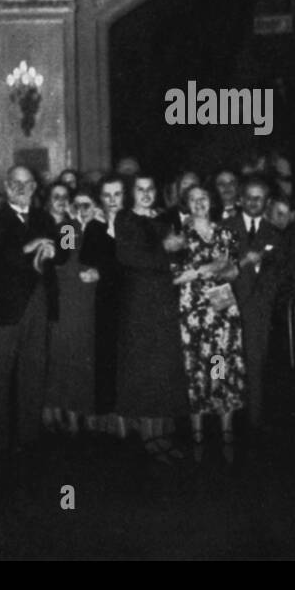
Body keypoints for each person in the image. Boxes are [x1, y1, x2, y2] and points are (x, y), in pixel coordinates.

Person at [0, 166, 66, 452]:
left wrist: (55, 249)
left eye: (27, 183)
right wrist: (31, 247)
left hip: (38, 304)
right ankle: (0, 441)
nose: (21, 187)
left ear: (34, 187)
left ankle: (29, 440)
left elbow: (63, 247)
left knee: (33, 372)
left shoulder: (43, 217)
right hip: (3, 308)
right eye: (15, 182)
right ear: (6, 185)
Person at [115, 175, 189, 462]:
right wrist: (166, 250)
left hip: (164, 302)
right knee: (145, 372)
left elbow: (178, 255)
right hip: (140, 305)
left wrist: (175, 252)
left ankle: (161, 436)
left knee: (165, 371)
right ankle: (149, 438)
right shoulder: (125, 218)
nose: (146, 194)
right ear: (132, 193)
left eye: (150, 189)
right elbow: (130, 256)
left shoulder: (163, 217)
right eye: (140, 189)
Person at [173, 184, 244, 463]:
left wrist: (218, 269)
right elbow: (175, 277)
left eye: (203, 198)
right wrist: (208, 269)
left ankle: (226, 429)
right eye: (193, 199)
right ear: (186, 204)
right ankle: (198, 432)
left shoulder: (226, 232)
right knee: (196, 367)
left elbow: (234, 270)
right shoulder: (180, 237)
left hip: (222, 306)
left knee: (222, 363)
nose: (199, 203)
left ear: (211, 201)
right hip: (192, 309)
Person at [223, 177, 283, 430]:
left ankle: (254, 424)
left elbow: (279, 272)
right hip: (228, 309)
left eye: (259, 198)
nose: (253, 202)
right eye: (248, 196)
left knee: (255, 365)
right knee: (222, 365)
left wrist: (259, 262)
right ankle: (222, 420)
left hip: (258, 311)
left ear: (267, 202)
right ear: (240, 198)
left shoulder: (275, 233)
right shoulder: (225, 226)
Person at [42, 182, 99, 435]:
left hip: (90, 301)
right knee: (66, 359)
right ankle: (70, 417)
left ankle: (83, 414)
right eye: (77, 205)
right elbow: (62, 261)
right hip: (69, 301)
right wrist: (74, 226)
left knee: (84, 359)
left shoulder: (100, 229)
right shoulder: (68, 228)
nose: (81, 209)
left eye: (87, 205)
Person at [82, 174, 124, 424]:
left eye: (117, 194)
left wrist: (103, 270)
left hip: (133, 299)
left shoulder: (133, 222)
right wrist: (93, 226)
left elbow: (131, 260)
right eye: (107, 195)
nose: (112, 200)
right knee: (107, 359)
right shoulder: (94, 226)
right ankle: (111, 423)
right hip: (107, 300)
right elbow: (86, 257)